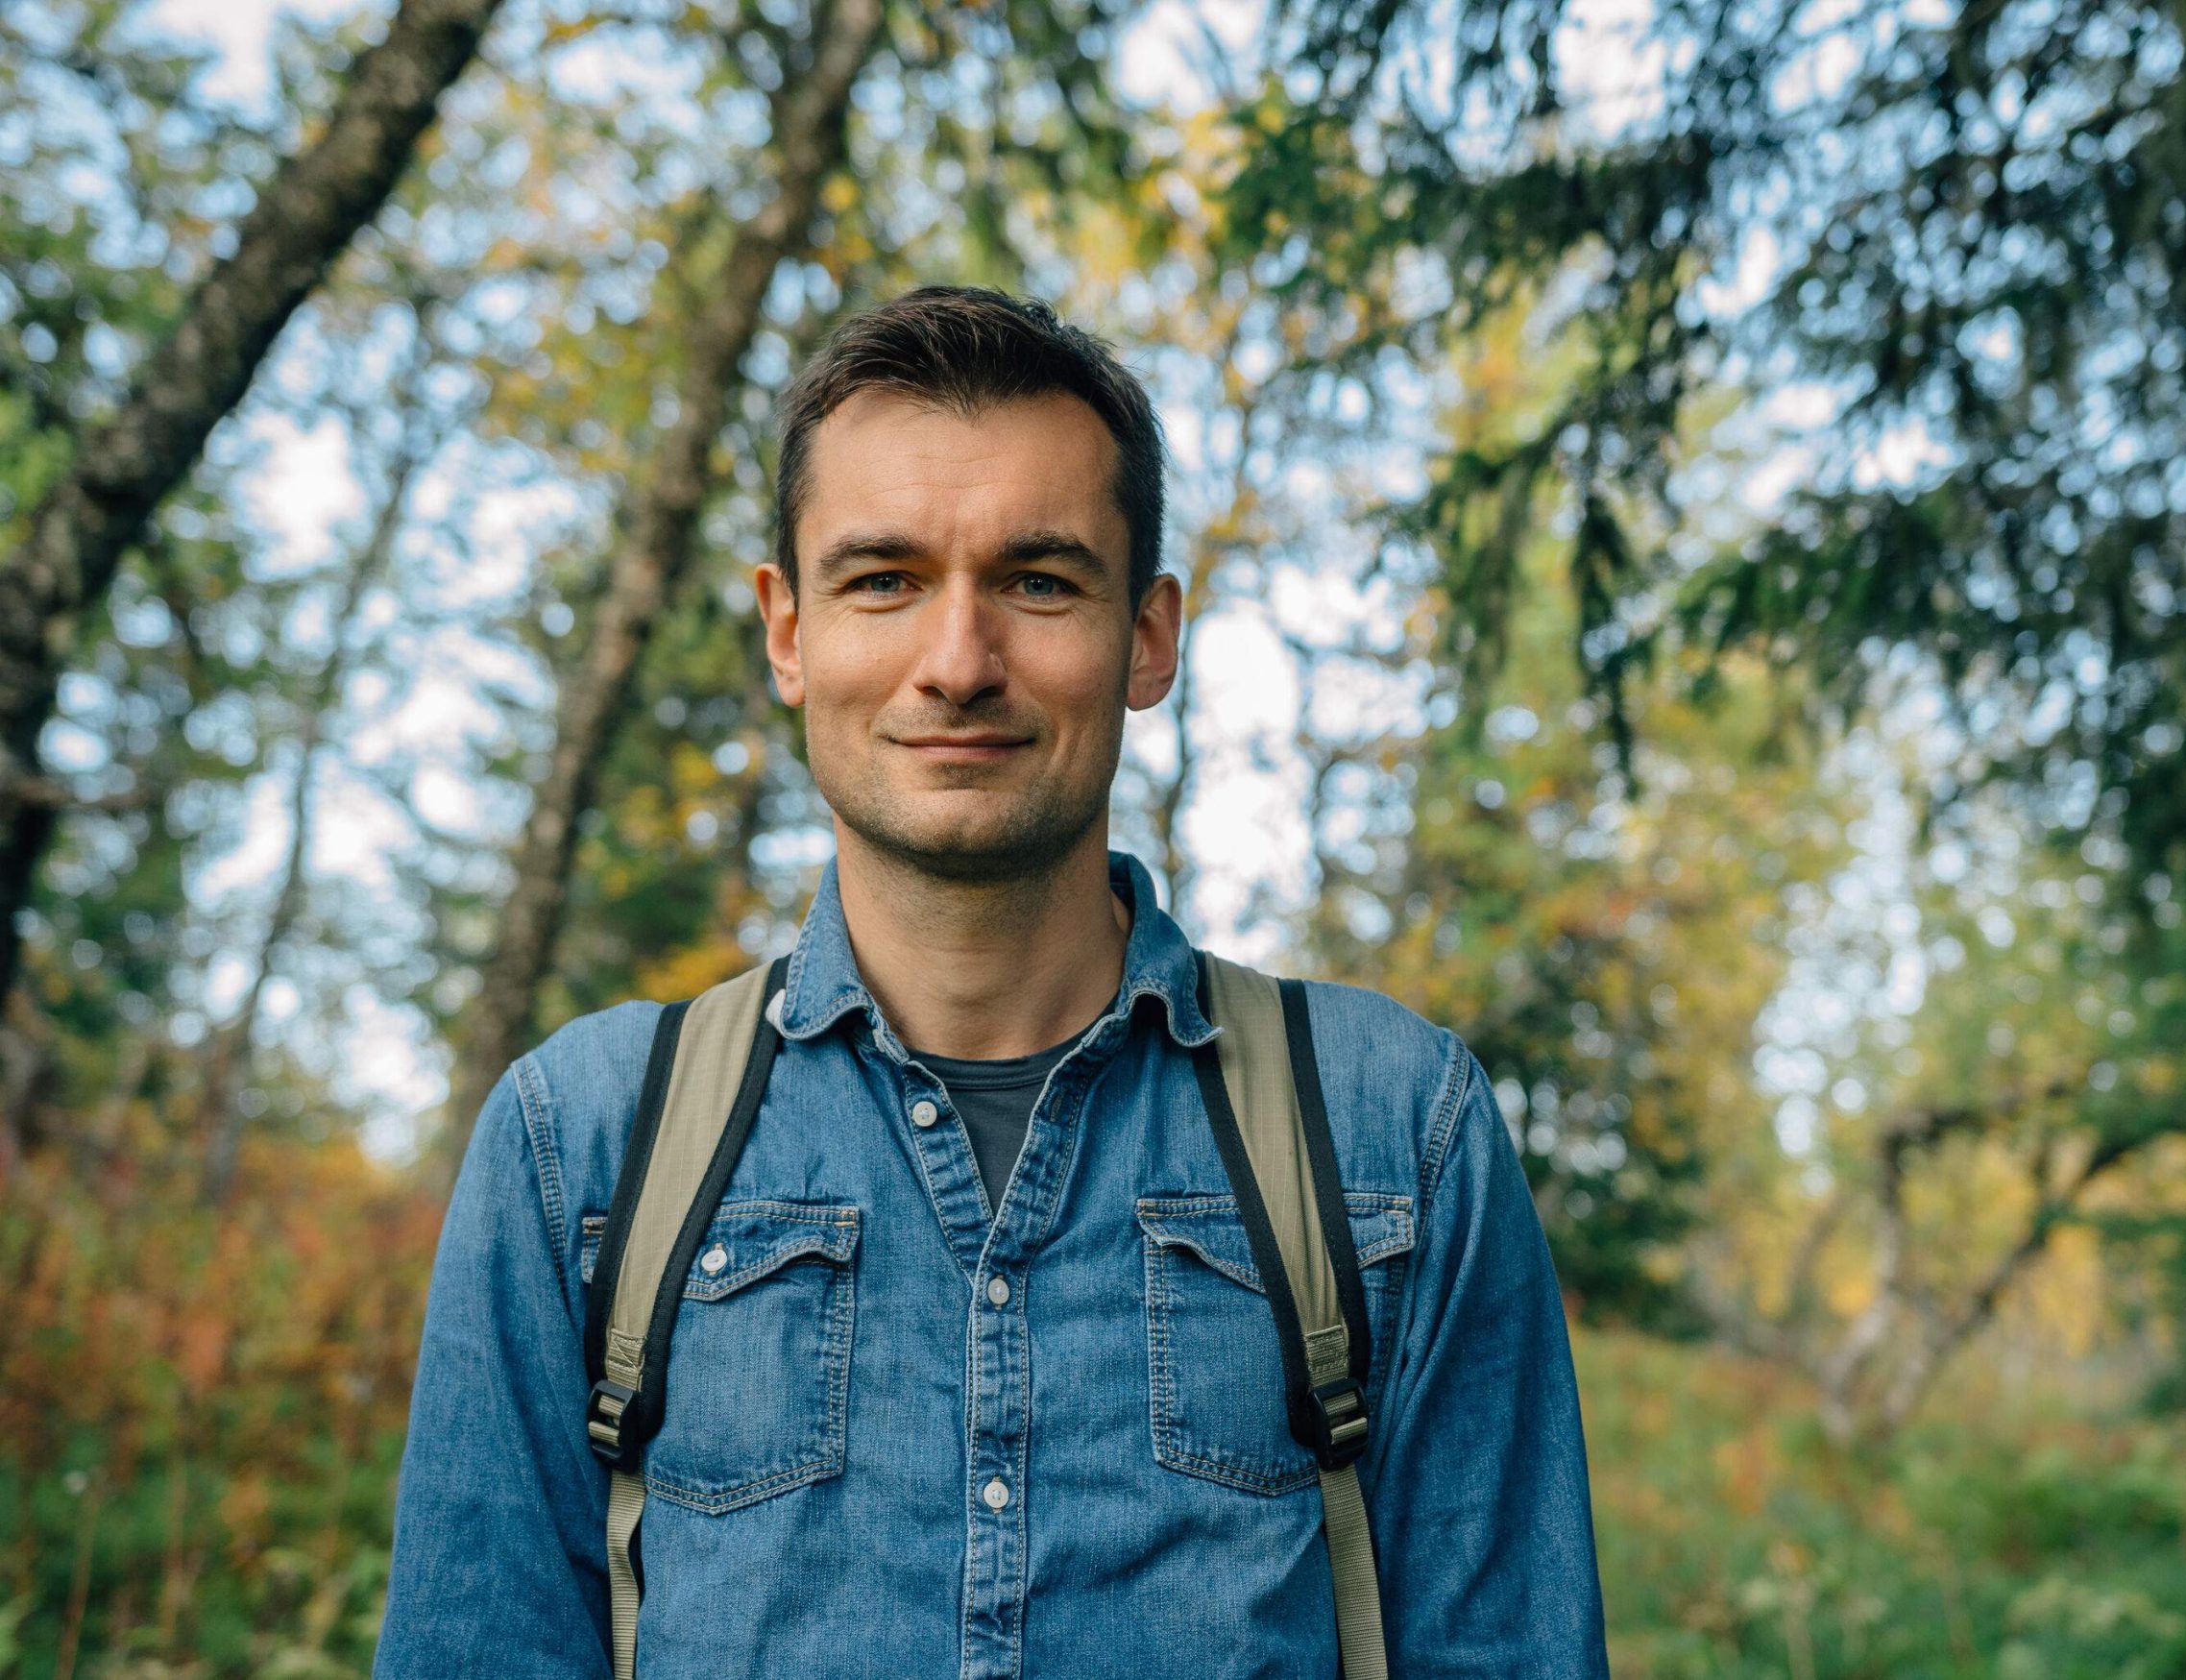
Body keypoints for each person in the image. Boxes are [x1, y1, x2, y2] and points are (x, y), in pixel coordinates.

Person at [375, 284, 1610, 1677]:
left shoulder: (1397, 1130)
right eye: (883, 579)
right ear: (787, 629)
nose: (958, 663)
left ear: (1149, 637)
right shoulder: (580, 1142)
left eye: (1038, 580)